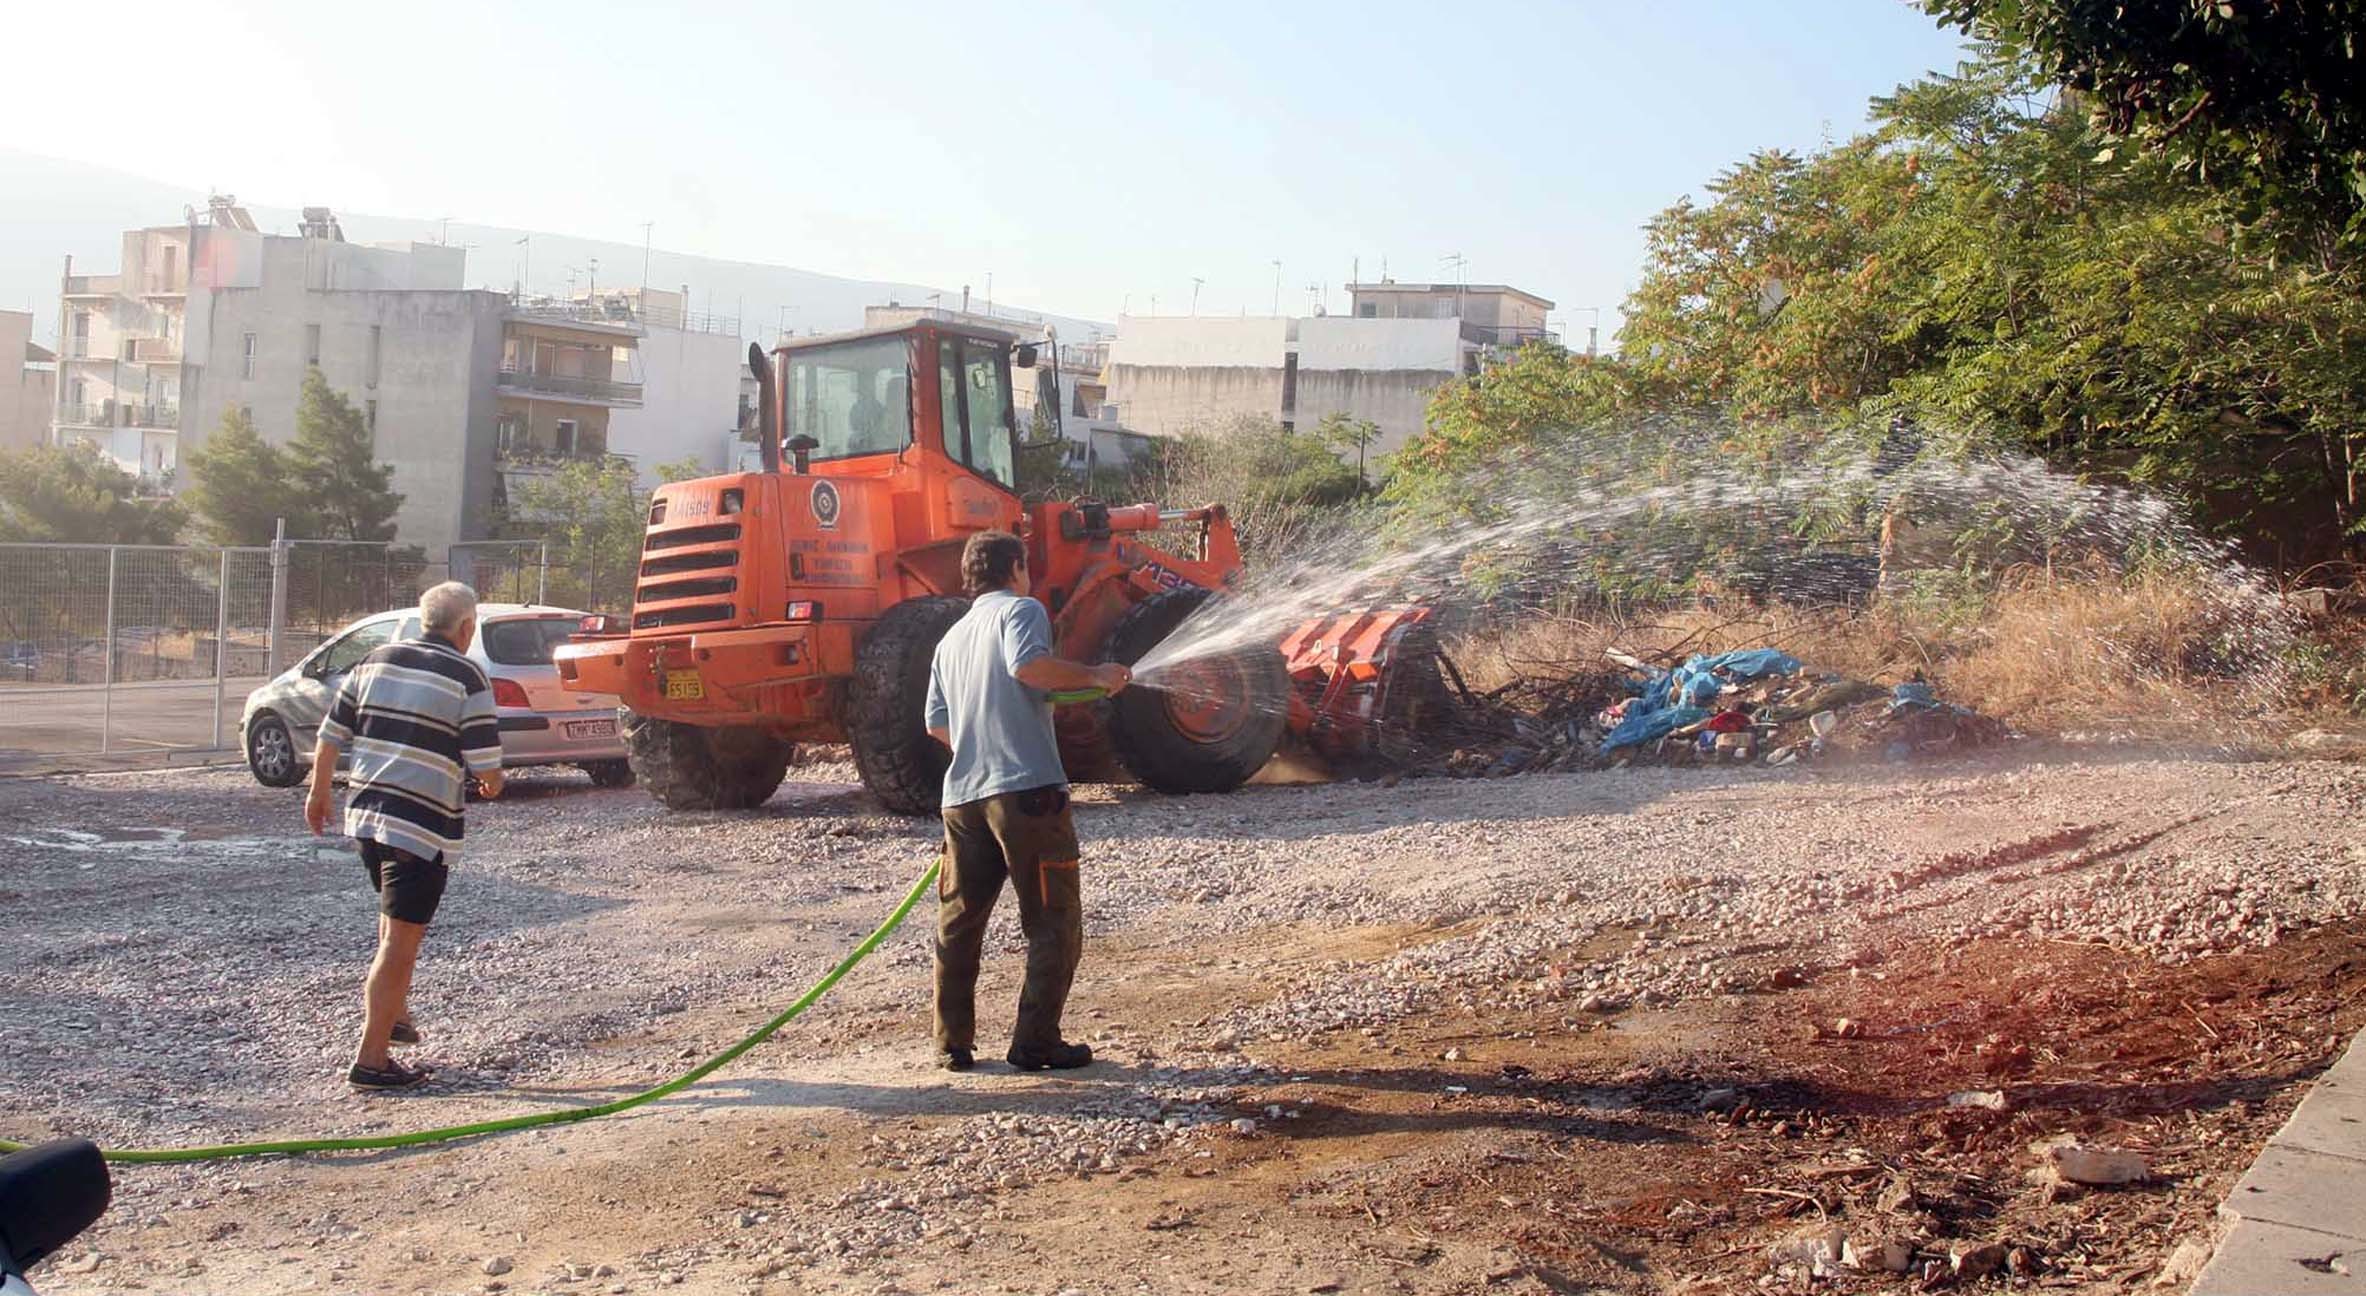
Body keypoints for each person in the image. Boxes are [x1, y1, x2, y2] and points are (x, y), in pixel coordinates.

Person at [924, 530, 1129, 1072]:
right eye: (1026, 565)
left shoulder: (950, 640)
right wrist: (1097, 676)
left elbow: (936, 724)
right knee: (1053, 919)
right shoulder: (1022, 610)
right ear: (1014, 567)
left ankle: (952, 1044)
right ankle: (1035, 1041)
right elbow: (1027, 667)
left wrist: (982, 736)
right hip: (1027, 793)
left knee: (959, 922)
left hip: (962, 800)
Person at [304, 582, 505, 1090]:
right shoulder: (466, 675)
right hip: (420, 825)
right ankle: (371, 1060)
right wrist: (491, 782)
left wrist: (319, 794)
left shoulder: (374, 659)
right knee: (401, 941)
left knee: (391, 925)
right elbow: (487, 765)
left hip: (367, 818)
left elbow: (331, 734)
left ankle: (394, 1016)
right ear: (466, 627)